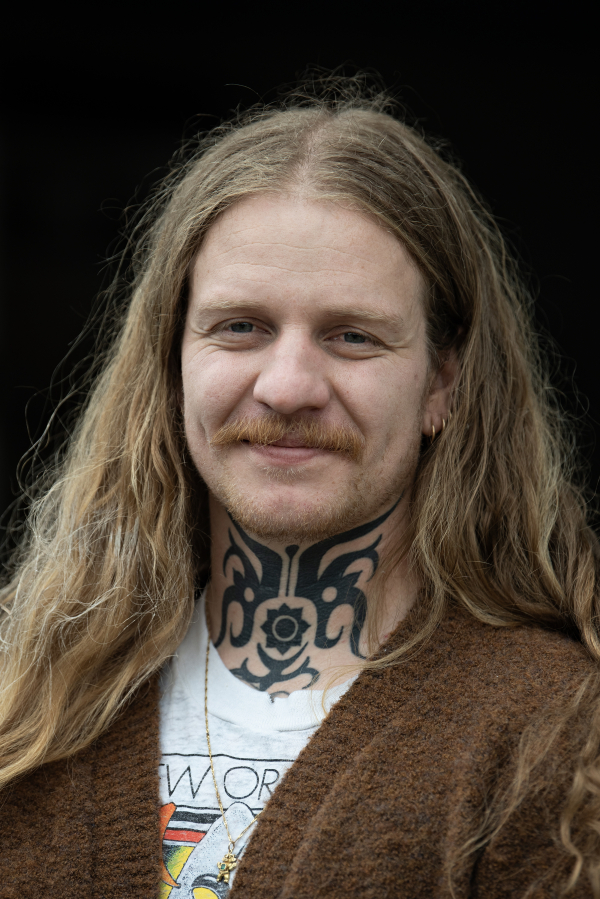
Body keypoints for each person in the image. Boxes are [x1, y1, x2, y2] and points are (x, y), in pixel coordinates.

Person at [1, 80, 599, 898]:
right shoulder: (28, 710)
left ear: (442, 384)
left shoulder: (557, 736)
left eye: (352, 336)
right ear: (172, 360)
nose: (286, 387)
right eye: (240, 326)